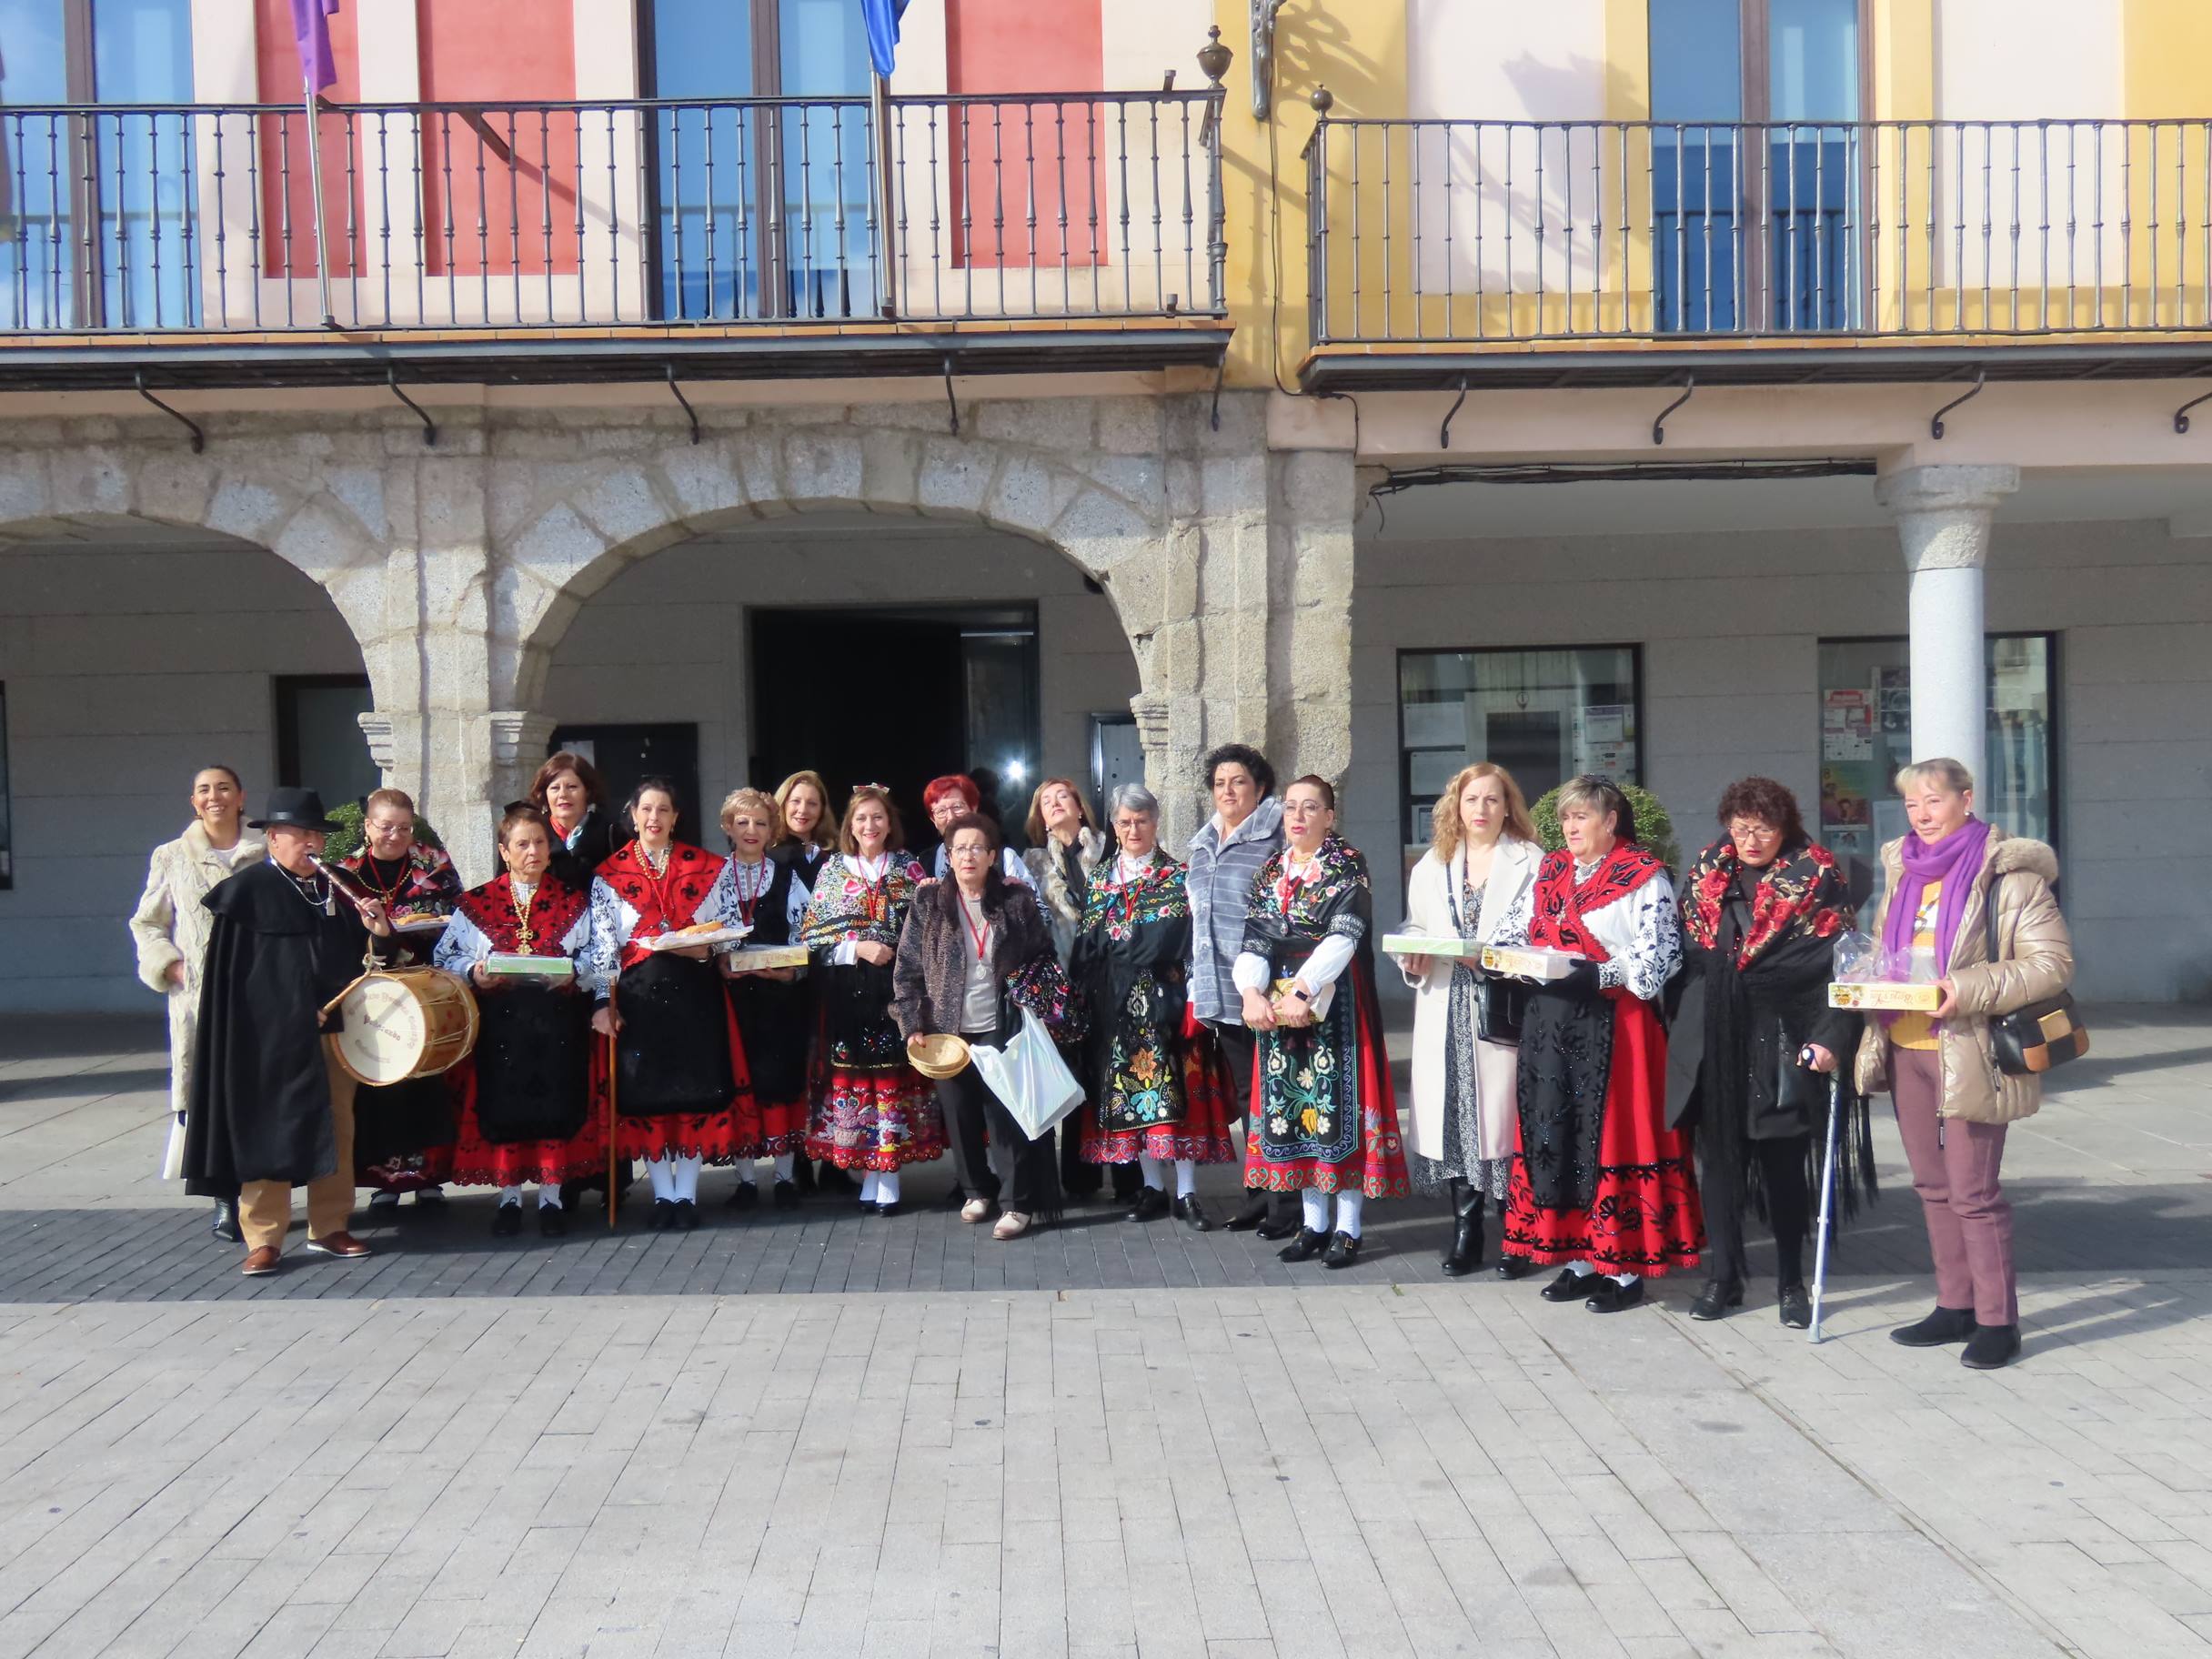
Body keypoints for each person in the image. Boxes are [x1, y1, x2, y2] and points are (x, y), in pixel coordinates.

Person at [1853, 758, 2071, 1371]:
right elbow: (1889, 953)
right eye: (1912, 806)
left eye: (1934, 802)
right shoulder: (1903, 873)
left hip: (1971, 1048)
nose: (1922, 816)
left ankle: (1999, 1321)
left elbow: (2051, 964)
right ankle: (1955, 1305)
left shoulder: (2011, 878)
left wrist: (1967, 987)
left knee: (1974, 1193)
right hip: (1905, 1045)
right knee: (1931, 1186)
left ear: (1966, 799)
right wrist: (1866, 978)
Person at [1496, 775, 1700, 1312]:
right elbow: (1513, 930)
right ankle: (1580, 1258)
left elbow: (1657, 959)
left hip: (1617, 1026)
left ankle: (1625, 1269)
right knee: (1557, 1133)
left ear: (1610, 823)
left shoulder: (1644, 876)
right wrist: (1507, 960)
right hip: (1551, 1023)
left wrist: (1596, 976)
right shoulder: (1551, 869)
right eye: (1565, 818)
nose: (1570, 827)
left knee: (1612, 1138)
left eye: (1581, 817)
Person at [1673, 778, 1871, 1327]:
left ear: (1785, 828)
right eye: (1740, 828)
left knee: (1783, 1166)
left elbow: (1843, 966)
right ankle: (1725, 1276)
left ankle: (1790, 1281)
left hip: (1784, 1034)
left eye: (1763, 828)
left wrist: (1831, 1039)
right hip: (1715, 1037)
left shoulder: (1818, 876)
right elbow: (1685, 957)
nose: (1750, 839)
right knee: (1718, 1166)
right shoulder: (1708, 872)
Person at [181, 788, 395, 1276]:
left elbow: (373, 959)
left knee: (338, 1126)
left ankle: (330, 1225)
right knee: (268, 1131)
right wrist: (294, 1010)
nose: (311, 844)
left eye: (316, 835)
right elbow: (239, 983)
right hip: (269, 1038)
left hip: (337, 1031)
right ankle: (264, 1237)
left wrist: (379, 929)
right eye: (300, 835)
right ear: (273, 839)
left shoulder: (340, 884)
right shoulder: (248, 892)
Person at [1234, 777, 1409, 1267]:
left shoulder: (1347, 865)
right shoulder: (1271, 870)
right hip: (1279, 1003)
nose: (1299, 816)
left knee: (1338, 1111)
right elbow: (1255, 938)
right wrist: (1250, 992)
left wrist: (1305, 989)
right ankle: (1313, 1224)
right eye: (1291, 807)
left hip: (1335, 1004)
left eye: (1311, 807)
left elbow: (1343, 938)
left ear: (1329, 817)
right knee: (1294, 1113)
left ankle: (1348, 1228)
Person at [893, 812, 1082, 1240]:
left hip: (1003, 1023)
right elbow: (907, 967)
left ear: (993, 856)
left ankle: (1018, 1204)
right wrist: (911, 1023)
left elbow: (1043, 956)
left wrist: (1034, 1001)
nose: (968, 856)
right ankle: (976, 1190)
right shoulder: (928, 903)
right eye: (959, 849)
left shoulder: (1015, 901)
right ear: (948, 856)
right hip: (946, 1029)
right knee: (958, 1115)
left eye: (977, 848)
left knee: (1005, 1117)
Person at [582, 777, 752, 1232]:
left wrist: (707, 948)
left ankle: (687, 1195)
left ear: (676, 817)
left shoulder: (708, 867)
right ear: (633, 816)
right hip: (639, 1002)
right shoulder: (608, 875)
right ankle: (663, 1194)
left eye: (663, 810)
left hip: (695, 997)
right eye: (646, 810)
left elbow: (730, 928)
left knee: (694, 1093)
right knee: (649, 1099)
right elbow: (602, 947)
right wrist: (603, 1001)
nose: (654, 818)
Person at [1395, 764, 1543, 1277]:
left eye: (1493, 800)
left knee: (1503, 1118)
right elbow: (1415, 925)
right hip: (1445, 999)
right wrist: (1411, 956)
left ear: (1508, 807)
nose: (1481, 809)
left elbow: (1540, 934)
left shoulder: (1533, 862)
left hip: (1501, 1001)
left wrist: (1495, 957)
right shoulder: (1432, 864)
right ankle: (1466, 1230)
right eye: (1472, 799)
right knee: (1455, 1115)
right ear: (1456, 805)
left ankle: (1517, 1233)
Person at [1068, 784, 1237, 1230]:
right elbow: (1089, 944)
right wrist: (1124, 946)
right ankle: (1153, 1189)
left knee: (1176, 1100)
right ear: (1114, 827)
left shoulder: (1177, 875)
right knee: (1131, 1100)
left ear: (1155, 823)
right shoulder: (1101, 878)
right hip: (1115, 1009)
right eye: (1124, 822)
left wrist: (1127, 944)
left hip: (1166, 1004)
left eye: (1141, 821)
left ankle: (1186, 1194)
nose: (1133, 829)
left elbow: (1182, 942)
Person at [434, 805, 604, 1236]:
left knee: (553, 1107)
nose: (533, 851)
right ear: (504, 851)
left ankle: (550, 1199)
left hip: (557, 1027)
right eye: (523, 844)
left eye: (540, 843)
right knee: (503, 1110)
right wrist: (475, 973)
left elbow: (599, 958)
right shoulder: (476, 904)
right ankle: (509, 1200)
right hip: (500, 1029)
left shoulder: (574, 901)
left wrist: (574, 971)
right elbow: (444, 958)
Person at [130, 765, 268, 1242]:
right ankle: (225, 1200)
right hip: (199, 1003)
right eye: (205, 790)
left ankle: (265, 1200)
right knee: (211, 1103)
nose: (215, 797)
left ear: (241, 796)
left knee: (262, 1097)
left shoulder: (268, 853)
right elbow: (146, 923)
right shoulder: (171, 857)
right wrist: (166, 964)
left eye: (224, 788)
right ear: (193, 801)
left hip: (261, 998)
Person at [798, 785, 941, 1213]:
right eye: (861, 819)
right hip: (848, 993)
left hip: (897, 990)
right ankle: (868, 1173)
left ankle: (889, 1176)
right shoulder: (832, 870)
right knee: (856, 1082)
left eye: (877, 817)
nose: (869, 826)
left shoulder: (908, 867)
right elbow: (812, 937)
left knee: (892, 1081)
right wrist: (857, 949)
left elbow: (931, 927)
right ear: (849, 827)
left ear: (889, 823)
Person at [337, 789, 464, 1209]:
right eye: (386, 826)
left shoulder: (434, 863)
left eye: (405, 828)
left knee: (427, 1081)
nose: (396, 835)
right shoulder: (346, 872)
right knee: (382, 1083)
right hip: (372, 992)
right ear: (368, 826)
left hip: (424, 985)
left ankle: (430, 1178)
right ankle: (384, 1182)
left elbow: (455, 915)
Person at [1186, 743, 1291, 1235]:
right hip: (1220, 990)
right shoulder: (1202, 843)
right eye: (1220, 783)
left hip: (1267, 989)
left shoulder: (1276, 837)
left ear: (1261, 788)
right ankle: (1258, 1193)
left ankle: (1287, 1199)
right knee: (1248, 1094)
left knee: (1276, 1093)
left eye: (1239, 782)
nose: (1228, 791)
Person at [1021, 775, 1123, 1204]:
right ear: (1040, 817)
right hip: (1063, 981)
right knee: (1072, 1076)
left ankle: (1128, 1179)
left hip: (1113, 976)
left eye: (1064, 796)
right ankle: (1078, 1179)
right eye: (1047, 801)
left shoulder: (1111, 851)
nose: (1056, 803)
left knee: (1116, 1075)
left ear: (1081, 808)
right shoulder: (1031, 863)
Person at [718, 787, 811, 1209]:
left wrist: (792, 968)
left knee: (781, 1082)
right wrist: (718, 960)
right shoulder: (714, 876)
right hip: (733, 999)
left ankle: (786, 1175)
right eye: (742, 823)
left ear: (773, 830)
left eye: (760, 823)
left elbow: (807, 934)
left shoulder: (788, 877)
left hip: (779, 1000)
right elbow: (705, 931)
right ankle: (745, 1179)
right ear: (728, 827)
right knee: (741, 1082)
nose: (751, 830)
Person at [772, 768, 838, 1196]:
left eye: (812, 803)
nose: (803, 810)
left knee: (832, 1068)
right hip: (787, 978)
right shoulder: (771, 854)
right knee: (796, 1067)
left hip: (832, 976)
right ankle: (796, 1160)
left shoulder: (837, 857)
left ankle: (836, 1158)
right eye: (795, 802)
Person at [534, 750, 624, 895]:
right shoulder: (532, 834)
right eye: (555, 788)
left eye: (572, 787)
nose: (563, 795)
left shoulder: (611, 834)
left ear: (587, 791)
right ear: (545, 794)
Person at [924, 774, 1032, 888]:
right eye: (941, 811)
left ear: (973, 808)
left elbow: (1038, 905)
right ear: (933, 819)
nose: (951, 816)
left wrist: (1021, 893)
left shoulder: (1005, 857)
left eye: (957, 807)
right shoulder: (926, 860)